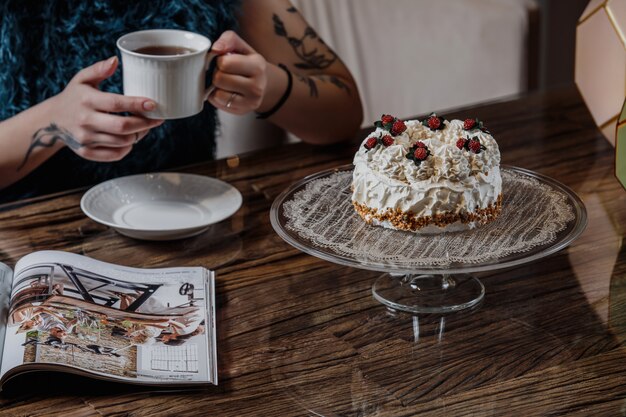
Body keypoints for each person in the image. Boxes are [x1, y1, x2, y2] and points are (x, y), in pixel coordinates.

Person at [0, 0, 363, 203]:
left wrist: (266, 85)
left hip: (190, 223)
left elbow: (345, 112)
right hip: (32, 245)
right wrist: (54, 122)